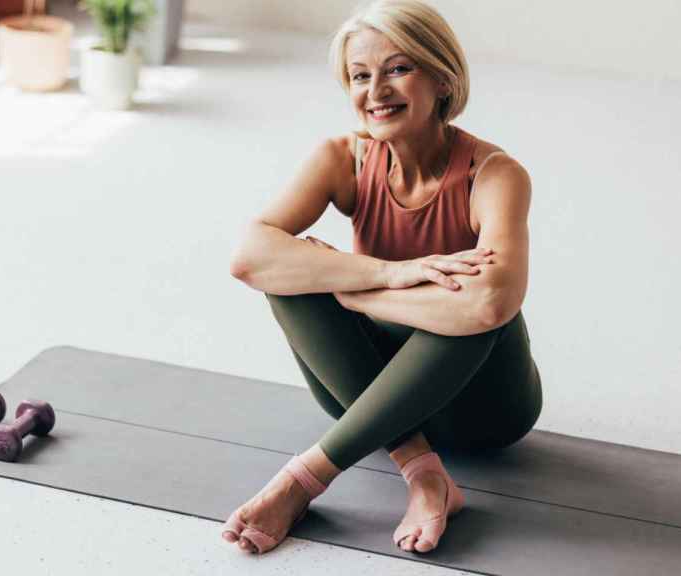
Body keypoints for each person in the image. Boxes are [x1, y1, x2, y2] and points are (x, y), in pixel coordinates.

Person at [222, 0, 543, 556]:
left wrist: (349, 290)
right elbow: (249, 257)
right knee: (287, 274)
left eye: (398, 69)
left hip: (486, 409)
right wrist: (390, 274)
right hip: (363, 393)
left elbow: (490, 305)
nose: (376, 91)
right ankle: (423, 473)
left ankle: (302, 480)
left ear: (442, 78)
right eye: (359, 75)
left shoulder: (495, 175)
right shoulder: (342, 158)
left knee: (474, 304)